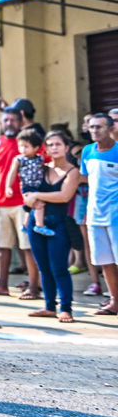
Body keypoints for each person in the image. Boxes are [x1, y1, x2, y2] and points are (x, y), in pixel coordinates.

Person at [0, 99, 40, 299]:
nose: (9, 124)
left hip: (25, 203)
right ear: (1, 122)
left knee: (29, 247)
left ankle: (34, 286)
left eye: (13, 120)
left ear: (20, 121)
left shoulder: (28, 142)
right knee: (1, 246)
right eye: (5, 120)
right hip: (1, 204)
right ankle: (0, 284)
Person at [22, 128, 81, 322]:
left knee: (59, 268)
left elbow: (64, 196)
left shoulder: (72, 172)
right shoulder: (41, 168)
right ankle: (49, 306)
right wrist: (30, 201)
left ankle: (66, 308)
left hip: (58, 225)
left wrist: (37, 196)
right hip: (36, 224)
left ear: (66, 147)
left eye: (58, 144)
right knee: (44, 268)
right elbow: (26, 196)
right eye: (50, 144)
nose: (54, 148)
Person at [81, 113, 118, 316]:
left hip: (116, 216)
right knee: (105, 261)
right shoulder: (87, 152)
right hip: (95, 215)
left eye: (100, 127)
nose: (95, 131)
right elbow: (86, 181)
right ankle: (114, 301)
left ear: (110, 129)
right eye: (92, 127)